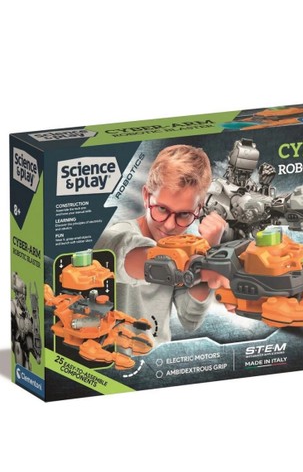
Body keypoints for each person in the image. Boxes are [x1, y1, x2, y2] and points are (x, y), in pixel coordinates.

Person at [96, 144, 227, 347]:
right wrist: (205, 262)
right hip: (112, 360)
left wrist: (208, 250)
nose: (169, 225)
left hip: (160, 357)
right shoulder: (120, 233)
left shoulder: (188, 247)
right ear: (146, 196)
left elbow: (190, 319)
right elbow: (118, 251)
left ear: (199, 210)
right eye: (162, 209)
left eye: (184, 214)